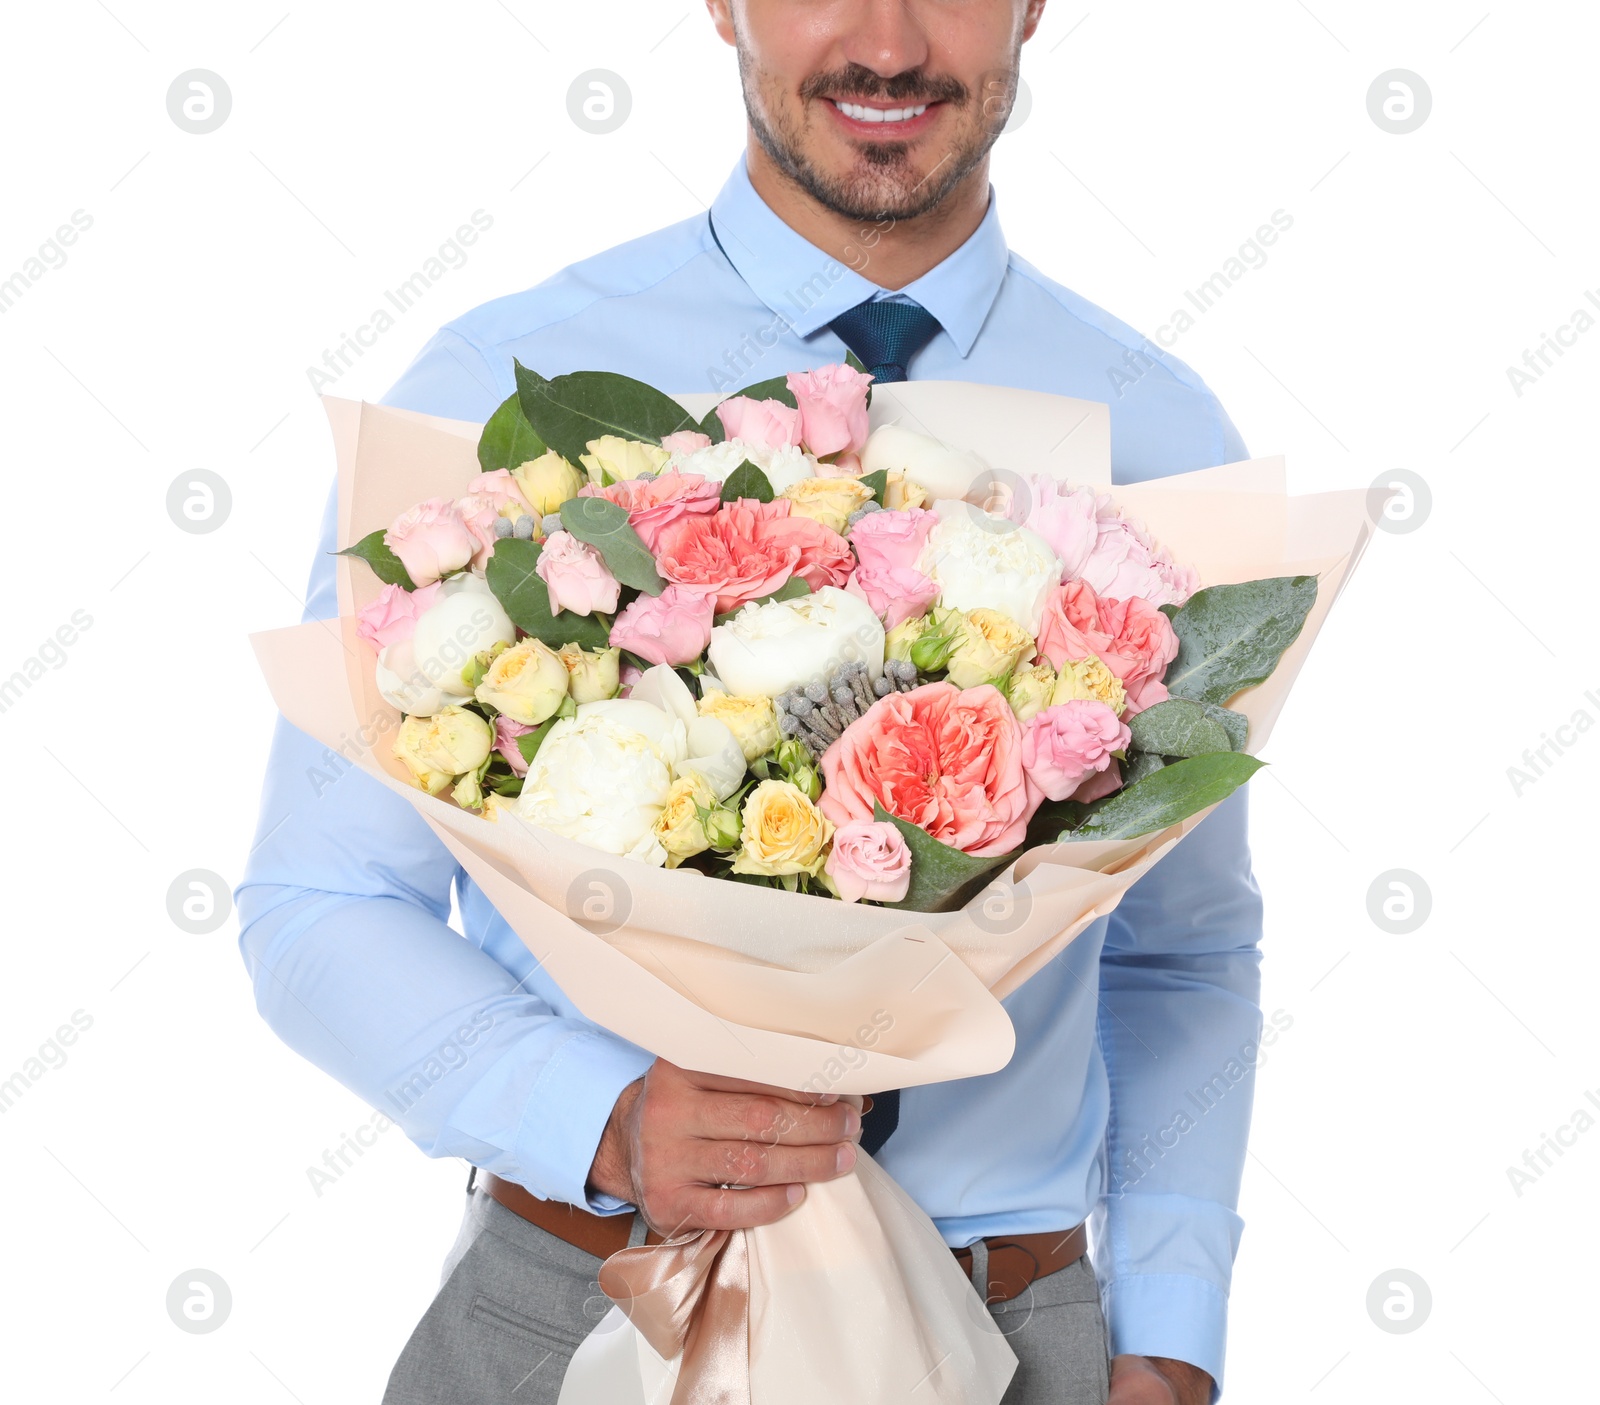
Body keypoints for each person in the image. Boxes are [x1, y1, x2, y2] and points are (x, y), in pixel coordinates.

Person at [239, 3, 1262, 1401]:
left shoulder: (1162, 429)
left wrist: (1170, 1330)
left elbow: (1178, 951)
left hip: (1020, 1333)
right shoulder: (497, 392)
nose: (890, 45)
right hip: (591, 1295)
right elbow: (320, 902)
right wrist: (597, 1120)